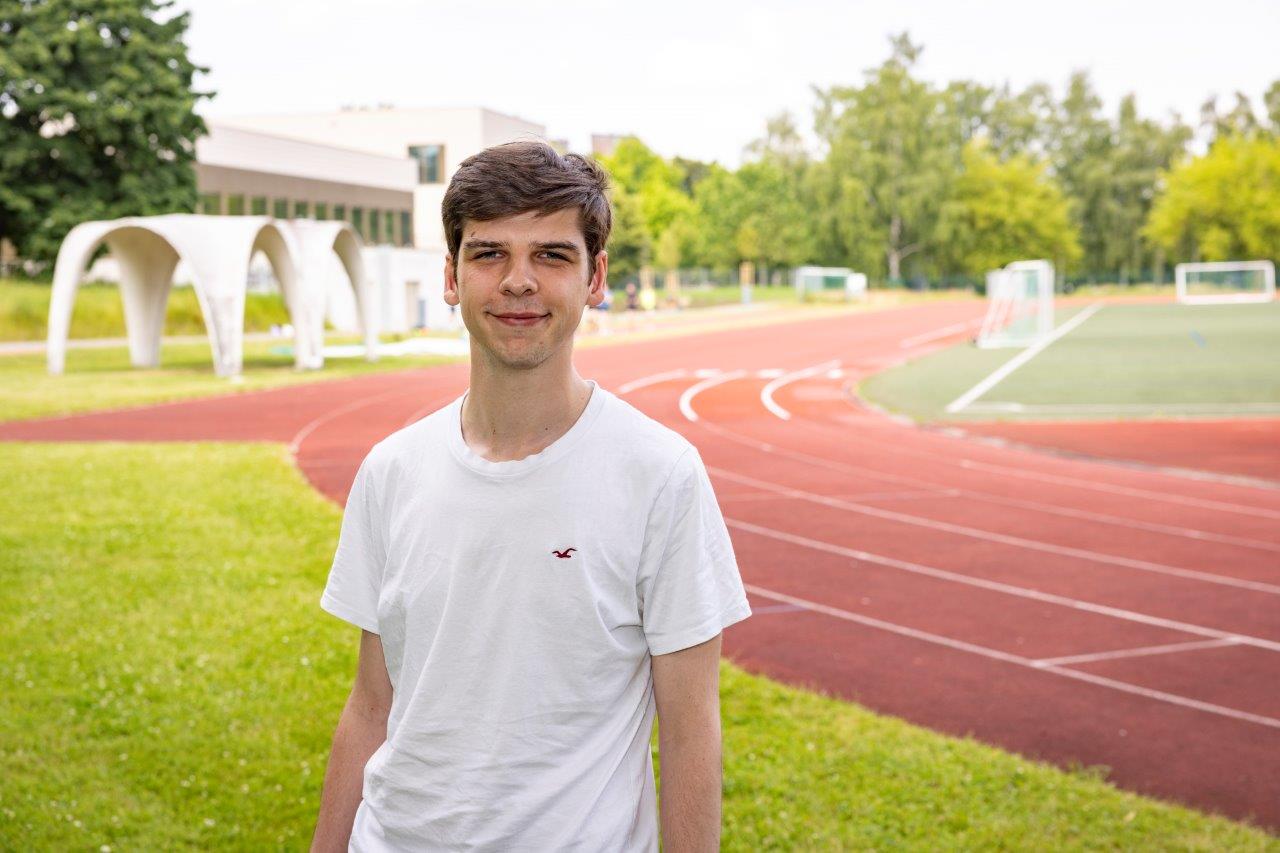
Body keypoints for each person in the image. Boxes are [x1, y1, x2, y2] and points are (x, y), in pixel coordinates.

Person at [311, 141, 751, 852]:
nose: (519, 281)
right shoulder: (391, 469)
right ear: (451, 276)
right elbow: (370, 705)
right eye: (489, 254)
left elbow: (690, 727)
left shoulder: (660, 474)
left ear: (595, 276)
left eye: (551, 255)